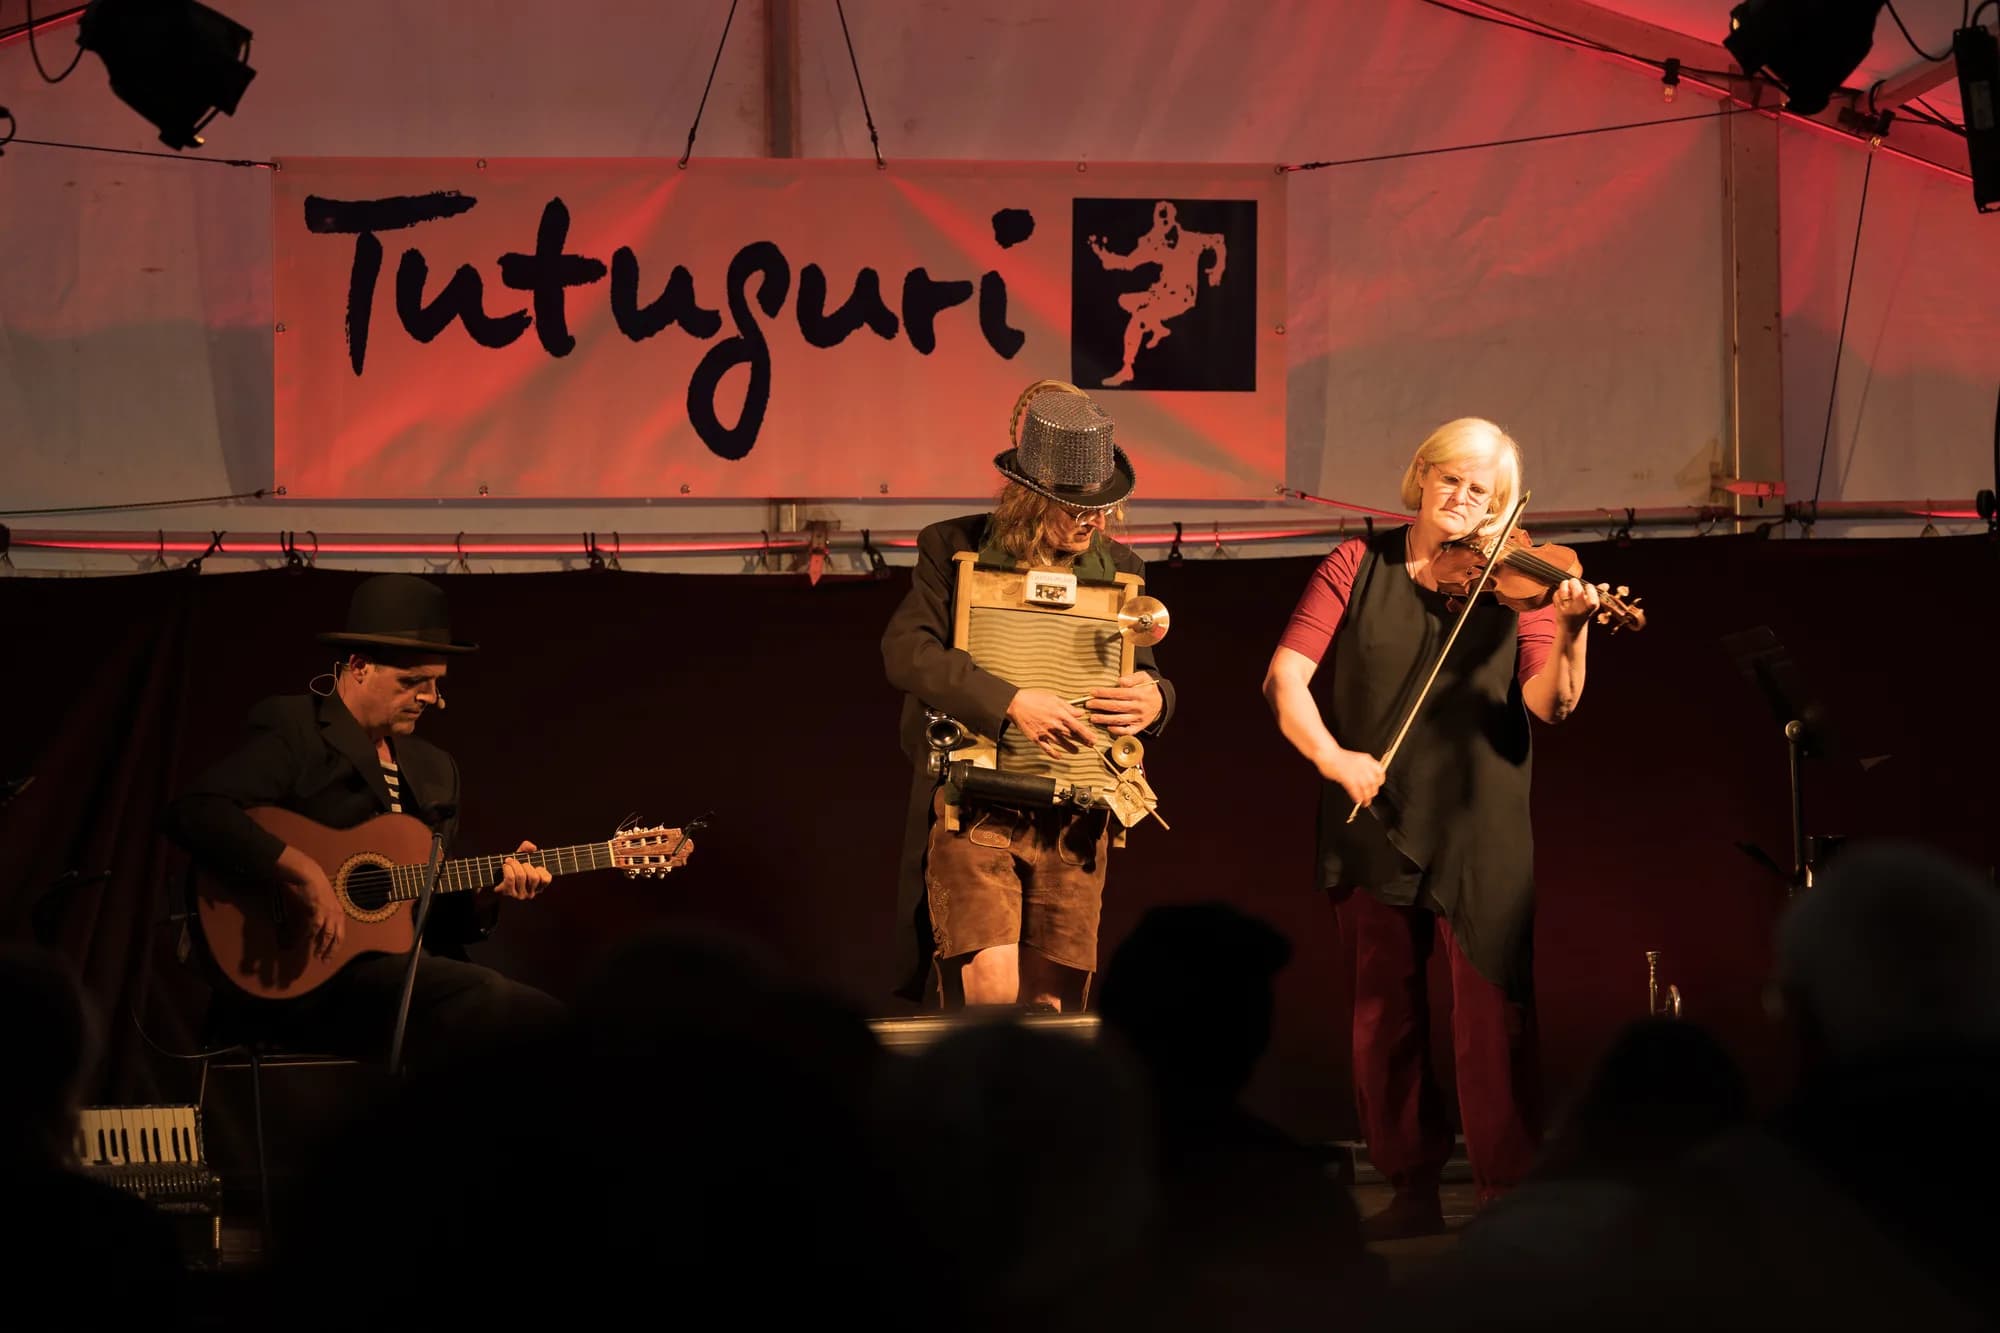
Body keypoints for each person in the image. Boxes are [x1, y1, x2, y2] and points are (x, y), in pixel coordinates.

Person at [1260, 417, 1600, 1239]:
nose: (1464, 499)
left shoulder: (1525, 579)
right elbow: (1286, 678)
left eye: (1483, 490)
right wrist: (1335, 758)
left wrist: (1577, 626)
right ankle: (1409, 1185)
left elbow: (1549, 703)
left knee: (1492, 1015)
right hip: (1371, 812)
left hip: (1480, 824)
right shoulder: (1356, 563)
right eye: (1452, 480)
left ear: (1503, 503)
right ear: (1422, 479)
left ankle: (1504, 1195)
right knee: (1385, 1015)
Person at [165, 573, 562, 1071]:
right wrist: (303, 872)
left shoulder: (436, 770)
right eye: (412, 681)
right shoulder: (296, 730)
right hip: (300, 971)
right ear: (358, 666)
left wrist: (486, 895)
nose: (430, 697)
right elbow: (196, 811)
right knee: (489, 1001)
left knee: (539, 1021)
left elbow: (422, 913)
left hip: (393, 975)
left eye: (436, 683)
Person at [882, 380, 1175, 1011]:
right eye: (1074, 507)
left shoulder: (1120, 570)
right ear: (1029, 494)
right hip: (981, 802)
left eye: (1102, 506)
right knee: (991, 996)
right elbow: (908, 652)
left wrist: (1155, 698)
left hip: (1076, 809)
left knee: (1054, 1011)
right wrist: (1012, 701)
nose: (1090, 521)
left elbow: (1139, 666)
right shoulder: (954, 547)